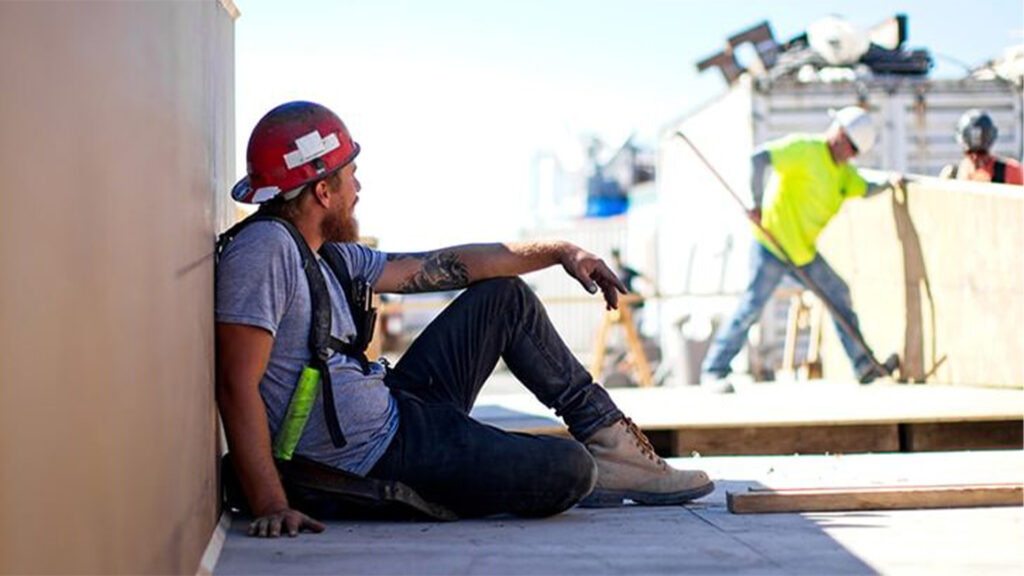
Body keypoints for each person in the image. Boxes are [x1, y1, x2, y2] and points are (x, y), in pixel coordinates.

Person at [216, 101, 713, 538]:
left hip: (398, 408)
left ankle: (616, 448)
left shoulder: (328, 254)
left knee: (503, 296)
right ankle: (590, 466)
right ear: (324, 190)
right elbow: (236, 384)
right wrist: (271, 503)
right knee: (570, 470)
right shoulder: (266, 251)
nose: (359, 188)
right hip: (374, 457)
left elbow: (448, 263)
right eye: (351, 175)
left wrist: (561, 251)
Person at [700, 106, 901, 393]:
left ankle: (863, 365)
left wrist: (889, 183)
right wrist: (756, 202)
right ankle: (714, 370)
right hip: (772, 245)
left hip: (803, 254)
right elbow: (759, 159)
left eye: (856, 153)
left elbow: (865, 189)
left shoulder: (844, 175)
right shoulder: (805, 149)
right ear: (840, 134)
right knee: (751, 308)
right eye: (852, 148)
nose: (852, 156)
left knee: (838, 294)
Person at [939, 109, 1023, 185]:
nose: (976, 158)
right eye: (971, 153)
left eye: (981, 153)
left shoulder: (1010, 171)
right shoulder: (952, 175)